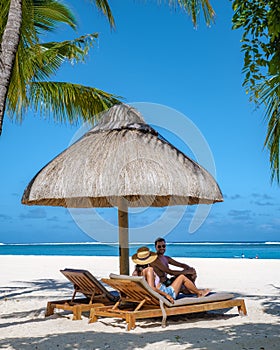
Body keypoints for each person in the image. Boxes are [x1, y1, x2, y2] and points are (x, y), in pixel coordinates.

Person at [132, 246, 210, 304]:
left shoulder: (136, 272)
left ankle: (196, 291)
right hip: (165, 293)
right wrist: (166, 295)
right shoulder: (149, 270)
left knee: (181, 282)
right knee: (182, 277)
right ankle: (199, 293)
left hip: (153, 296)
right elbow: (152, 288)